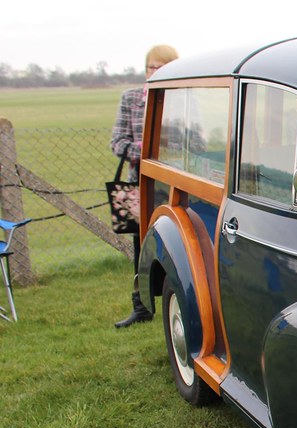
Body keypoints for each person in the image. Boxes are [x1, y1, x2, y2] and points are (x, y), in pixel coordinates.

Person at [110, 44, 178, 328]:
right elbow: (117, 143)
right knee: (141, 245)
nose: (155, 71)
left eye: (162, 67)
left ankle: (178, 300)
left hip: (173, 184)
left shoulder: (183, 99)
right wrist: (146, 150)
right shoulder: (130, 99)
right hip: (139, 185)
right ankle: (140, 306)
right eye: (152, 67)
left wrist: (167, 151)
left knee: (175, 244)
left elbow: (195, 142)